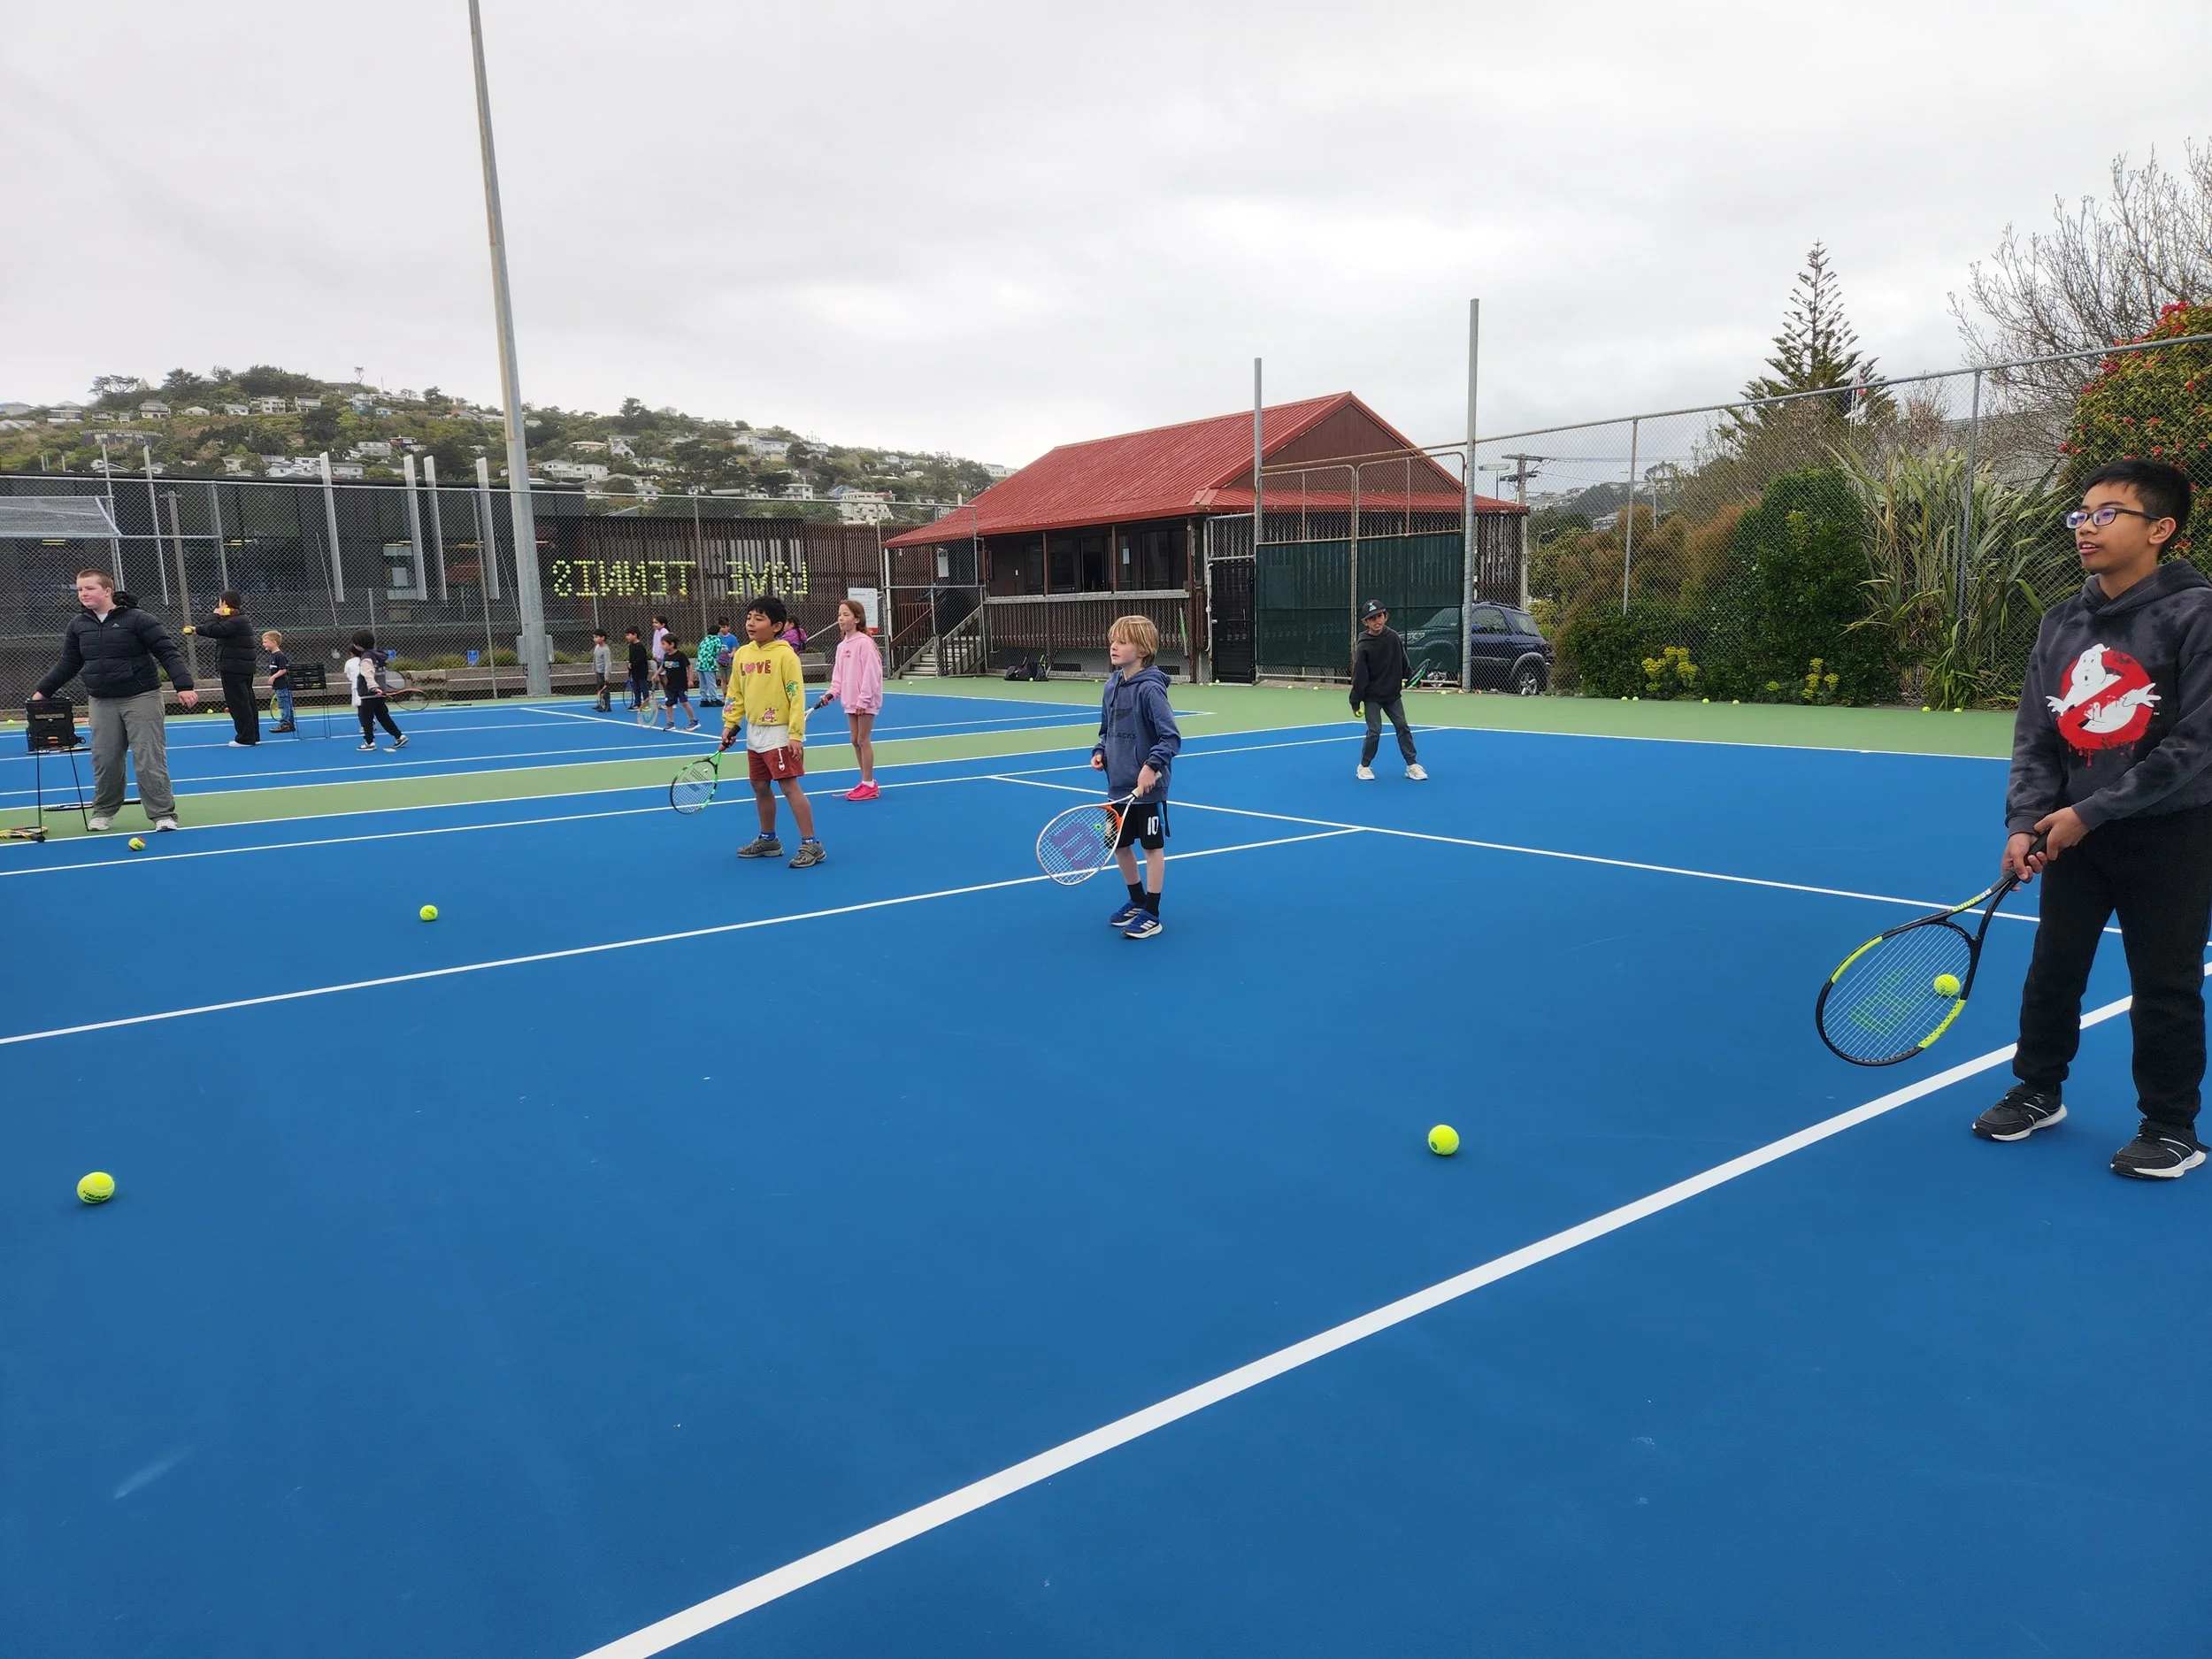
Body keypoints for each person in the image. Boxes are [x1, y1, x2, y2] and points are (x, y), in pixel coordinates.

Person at [1972, 458, 2212, 1180]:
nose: (2086, 526)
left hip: (2174, 830)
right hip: (2073, 830)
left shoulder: (2196, 614)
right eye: (2081, 513)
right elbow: (2038, 735)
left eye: (2109, 513)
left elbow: (2196, 743)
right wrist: (2027, 820)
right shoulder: (2063, 621)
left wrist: (2089, 811)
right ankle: (2038, 1088)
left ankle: (2171, 1127)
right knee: (2054, 968)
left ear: (2161, 529)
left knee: (2165, 982)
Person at [30, 568, 198, 832]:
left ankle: (162, 814)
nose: (83, 594)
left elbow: (167, 652)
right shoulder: (78, 625)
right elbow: (69, 662)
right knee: (105, 759)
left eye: (89, 588)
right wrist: (43, 692)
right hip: (101, 700)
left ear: (107, 591)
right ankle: (104, 811)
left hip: (141, 696)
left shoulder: (139, 619)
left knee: (148, 758)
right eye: (80, 590)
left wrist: (183, 685)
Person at [1092, 613, 1181, 941]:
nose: (1113, 646)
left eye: (1122, 641)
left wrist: (1152, 767)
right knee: (1119, 845)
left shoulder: (1151, 690)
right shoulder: (1111, 685)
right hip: (1118, 787)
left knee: (1151, 848)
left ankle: (1152, 912)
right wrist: (1099, 751)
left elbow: (1170, 738)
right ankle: (1136, 899)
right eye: (1112, 640)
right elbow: (1107, 729)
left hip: (1147, 790)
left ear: (1142, 649)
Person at [720, 593, 824, 868]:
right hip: (754, 732)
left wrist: (795, 735)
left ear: (777, 626)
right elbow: (736, 692)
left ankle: (812, 844)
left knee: (789, 785)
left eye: (759, 618)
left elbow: (796, 695)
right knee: (759, 785)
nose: (751, 623)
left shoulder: (785, 656)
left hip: (779, 732)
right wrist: (731, 723)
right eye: (749, 618)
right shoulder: (742, 654)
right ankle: (769, 839)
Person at [813, 597, 884, 800]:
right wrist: (831, 694)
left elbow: (872, 674)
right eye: (839, 615)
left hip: (865, 702)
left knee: (863, 739)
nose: (841, 619)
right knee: (854, 740)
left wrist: (864, 700)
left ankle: (869, 784)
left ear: (857, 619)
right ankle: (865, 781)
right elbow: (838, 677)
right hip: (851, 701)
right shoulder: (842, 646)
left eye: (846, 615)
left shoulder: (865, 643)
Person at [1349, 598, 1425, 781]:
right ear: (1365, 622)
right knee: (1374, 731)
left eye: (1380, 616)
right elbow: (1359, 676)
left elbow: (1403, 662)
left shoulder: (1393, 638)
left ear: (1386, 617)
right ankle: (1364, 766)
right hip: (1372, 697)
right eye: (1372, 618)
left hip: (1392, 695)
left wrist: (1412, 676)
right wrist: (1355, 701)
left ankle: (1412, 765)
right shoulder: (1364, 645)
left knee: (1402, 727)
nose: (1377, 620)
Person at [185, 591, 261, 747]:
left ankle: (246, 738)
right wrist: (197, 630)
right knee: (247, 701)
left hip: (234, 666)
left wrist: (214, 614)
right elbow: (217, 629)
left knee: (239, 702)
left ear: (224, 603)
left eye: (220, 602)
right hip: (242, 666)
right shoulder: (239, 619)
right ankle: (253, 735)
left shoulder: (236, 620)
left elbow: (214, 629)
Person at [343, 629, 407, 752]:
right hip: (380, 693)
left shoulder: (366, 657)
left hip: (369, 693)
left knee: (365, 719)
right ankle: (399, 736)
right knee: (383, 717)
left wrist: (373, 687)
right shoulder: (379, 655)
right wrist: (379, 689)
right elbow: (381, 674)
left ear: (358, 645)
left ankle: (369, 742)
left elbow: (368, 674)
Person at [657, 634, 699, 731]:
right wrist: (656, 674)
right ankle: (670, 723)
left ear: (671, 644)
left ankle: (693, 721)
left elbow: (689, 667)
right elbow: (663, 666)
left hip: (681, 684)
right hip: (670, 685)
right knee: (669, 704)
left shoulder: (680, 655)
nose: (662, 646)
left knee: (684, 702)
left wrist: (690, 679)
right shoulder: (666, 655)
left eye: (663, 644)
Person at [263, 630, 295, 732]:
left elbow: (283, 669)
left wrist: (273, 677)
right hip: (279, 686)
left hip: (283, 685)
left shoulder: (279, 656)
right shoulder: (272, 656)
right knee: (285, 704)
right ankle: (289, 724)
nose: (263, 644)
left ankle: (286, 724)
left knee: (284, 705)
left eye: (265, 642)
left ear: (274, 642)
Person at [695, 625, 726, 708]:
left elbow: (699, 649)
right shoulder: (717, 640)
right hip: (709, 663)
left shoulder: (705, 639)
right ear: (718, 632)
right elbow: (717, 652)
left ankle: (703, 699)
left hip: (700, 663)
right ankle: (714, 699)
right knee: (711, 682)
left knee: (703, 683)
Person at [625, 626, 652, 713]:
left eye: (628, 635)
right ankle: (637, 704)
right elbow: (631, 658)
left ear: (635, 635)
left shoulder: (640, 647)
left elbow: (640, 659)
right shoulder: (631, 646)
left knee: (643, 688)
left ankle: (647, 705)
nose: (627, 637)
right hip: (634, 671)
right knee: (636, 688)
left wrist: (632, 664)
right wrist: (629, 666)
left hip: (642, 671)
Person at [591, 628, 614, 712]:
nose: (594, 639)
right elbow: (595, 659)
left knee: (605, 690)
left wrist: (607, 675)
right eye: (594, 637)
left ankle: (607, 706)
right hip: (598, 672)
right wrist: (594, 669)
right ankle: (601, 704)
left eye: (596, 637)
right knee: (599, 689)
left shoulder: (605, 650)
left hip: (603, 673)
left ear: (603, 638)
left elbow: (608, 663)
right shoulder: (597, 647)